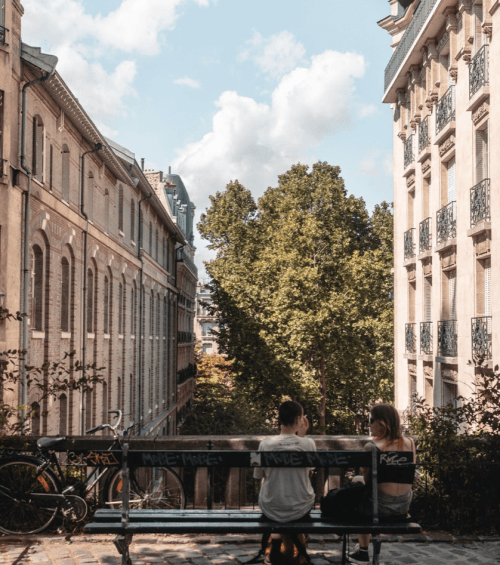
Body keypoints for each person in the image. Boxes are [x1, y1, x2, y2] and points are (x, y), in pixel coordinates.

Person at [348, 403, 416, 565]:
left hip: (380, 508)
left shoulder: (372, 447)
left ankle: (363, 551)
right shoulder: (410, 444)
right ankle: (362, 550)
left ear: (382, 423)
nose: (368, 424)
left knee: (357, 486)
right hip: (403, 506)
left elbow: (368, 482)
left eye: (371, 420)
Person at [253, 401, 316, 564]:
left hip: (270, 508)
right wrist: (302, 436)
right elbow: (309, 470)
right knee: (297, 495)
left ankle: (275, 548)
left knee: (269, 489)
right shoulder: (309, 443)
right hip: (300, 509)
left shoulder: (265, 444)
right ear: (299, 419)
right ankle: (295, 553)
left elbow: (258, 474)